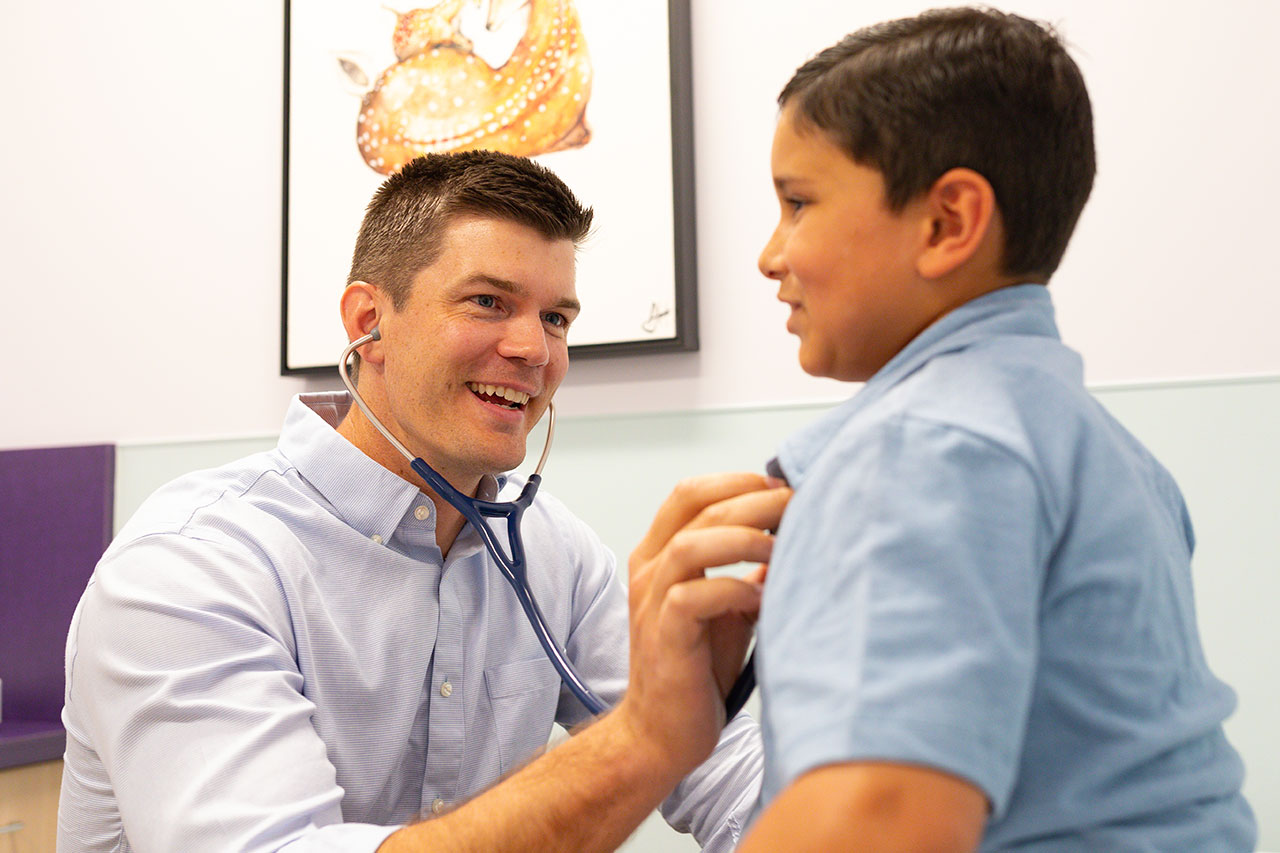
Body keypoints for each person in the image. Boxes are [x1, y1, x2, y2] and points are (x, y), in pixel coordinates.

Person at [58, 151, 785, 852]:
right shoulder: (191, 568)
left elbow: (720, 768)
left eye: (556, 319)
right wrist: (641, 740)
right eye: (488, 302)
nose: (534, 349)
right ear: (366, 323)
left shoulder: (552, 553)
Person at [728, 7, 1256, 850]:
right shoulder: (1111, 454)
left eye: (798, 203)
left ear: (948, 223)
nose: (770, 254)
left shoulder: (927, 447)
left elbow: (881, 821)